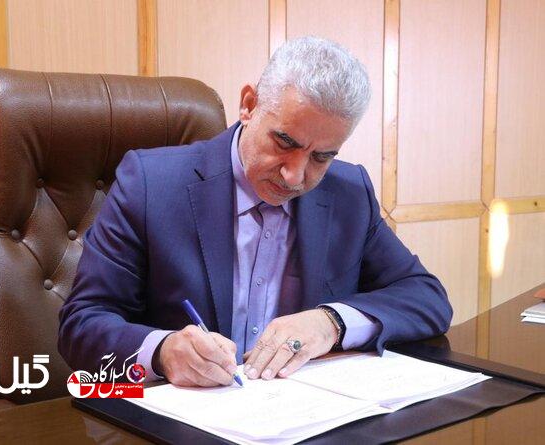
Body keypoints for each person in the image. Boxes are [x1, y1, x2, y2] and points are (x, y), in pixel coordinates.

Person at [58, 36, 452, 387]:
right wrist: (163, 352)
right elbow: (82, 325)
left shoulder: (349, 193)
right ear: (249, 105)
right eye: (284, 142)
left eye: (321, 156)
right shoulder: (150, 183)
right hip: (181, 420)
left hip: (304, 416)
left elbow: (426, 297)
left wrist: (330, 322)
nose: (295, 175)